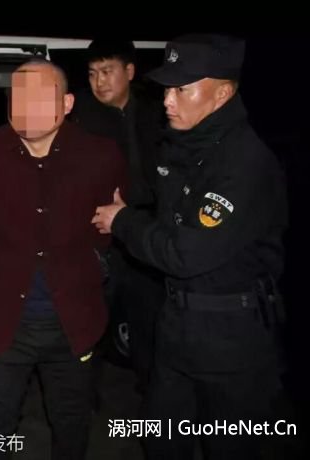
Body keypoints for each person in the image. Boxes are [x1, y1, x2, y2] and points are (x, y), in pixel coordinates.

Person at [92, 34, 287, 460]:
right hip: (176, 325)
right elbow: (166, 219)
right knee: (161, 439)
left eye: (182, 89)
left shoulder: (243, 163)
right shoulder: (183, 146)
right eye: (167, 88)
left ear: (222, 93)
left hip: (231, 336)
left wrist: (123, 222)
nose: (167, 100)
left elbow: (186, 253)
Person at [0, 59, 127, 459]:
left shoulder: (100, 155)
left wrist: (92, 261)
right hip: (2, 321)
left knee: (71, 422)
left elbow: (113, 223)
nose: (26, 106)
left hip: (73, 320)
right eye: (18, 96)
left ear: (66, 103)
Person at [70, 39, 165, 392]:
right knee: (89, 326)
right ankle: (82, 399)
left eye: (107, 71)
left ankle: (153, 398)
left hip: (146, 236)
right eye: (92, 73)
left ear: (130, 71)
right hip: (98, 240)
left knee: (149, 324)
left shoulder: (158, 112)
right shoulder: (79, 118)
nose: (99, 82)